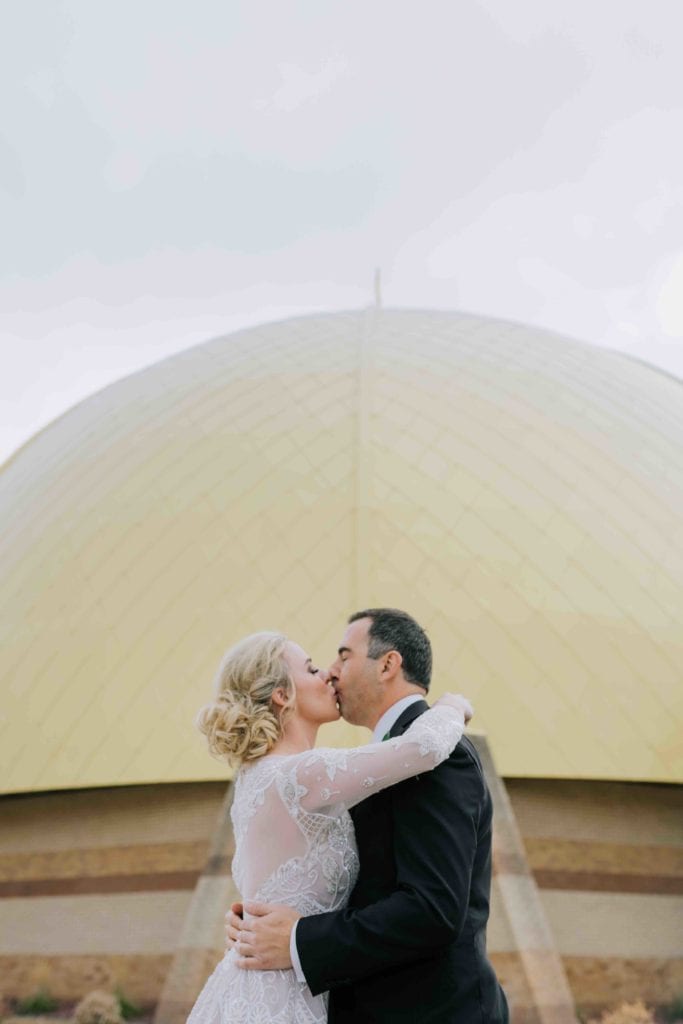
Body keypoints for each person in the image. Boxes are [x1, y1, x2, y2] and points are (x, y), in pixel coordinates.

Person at [227, 608, 509, 1023]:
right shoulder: (355, 769)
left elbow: (432, 909)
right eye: (318, 666)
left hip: (433, 1012)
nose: (331, 672)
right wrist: (254, 918)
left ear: (388, 664)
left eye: (343, 656)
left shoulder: (440, 758)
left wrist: (298, 940)